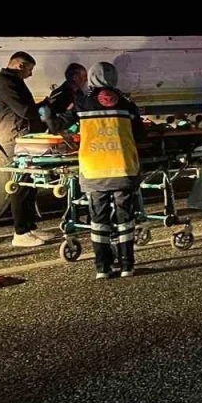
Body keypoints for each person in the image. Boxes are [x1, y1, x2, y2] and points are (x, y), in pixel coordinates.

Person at [74, 63, 145, 279]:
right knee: (125, 219)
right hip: (123, 168)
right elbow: (140, 135)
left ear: (92, 78)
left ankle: (102, 268)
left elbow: (61, 124)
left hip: (94, 169)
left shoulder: (82, 102)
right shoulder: (127, 103)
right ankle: (127, 266)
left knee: (98, 220)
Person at [0, 51, 50, 247]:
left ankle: (30, 227)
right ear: (20, 66)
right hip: (14, 137)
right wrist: (44, 106)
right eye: (30, 70)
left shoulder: (12, 80)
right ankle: (20, 232)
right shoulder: (6, 83)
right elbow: (24, 110)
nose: (30, 74)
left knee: (29, 182)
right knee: (21, 183)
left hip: (20, 136)